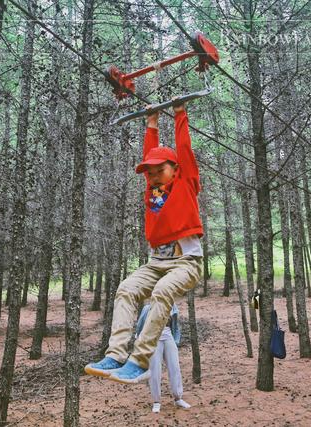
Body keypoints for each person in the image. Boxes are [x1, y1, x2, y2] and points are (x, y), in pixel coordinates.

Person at [84, 102, 203, 384]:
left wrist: (179, 114)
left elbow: (184, 149)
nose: (152, 176)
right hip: (156, 263)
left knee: (162, 292)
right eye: (148, 173)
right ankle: (115, 355)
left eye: (159, 170)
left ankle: (139, 360)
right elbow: (148, 156)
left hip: (186, 263)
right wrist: (151, 121)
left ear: (175, 169)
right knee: (125, 289)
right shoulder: (153, 190)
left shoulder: (186, 183)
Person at [136, 303, 191, 413]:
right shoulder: (148, 307)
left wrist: (176, 339)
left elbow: (175, 324)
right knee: (155, 370)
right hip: (154, 339)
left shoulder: (172, 306)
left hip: (168, 337)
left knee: (175, 367)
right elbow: (140, 325)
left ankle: (178, 398)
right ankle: (156, 401)